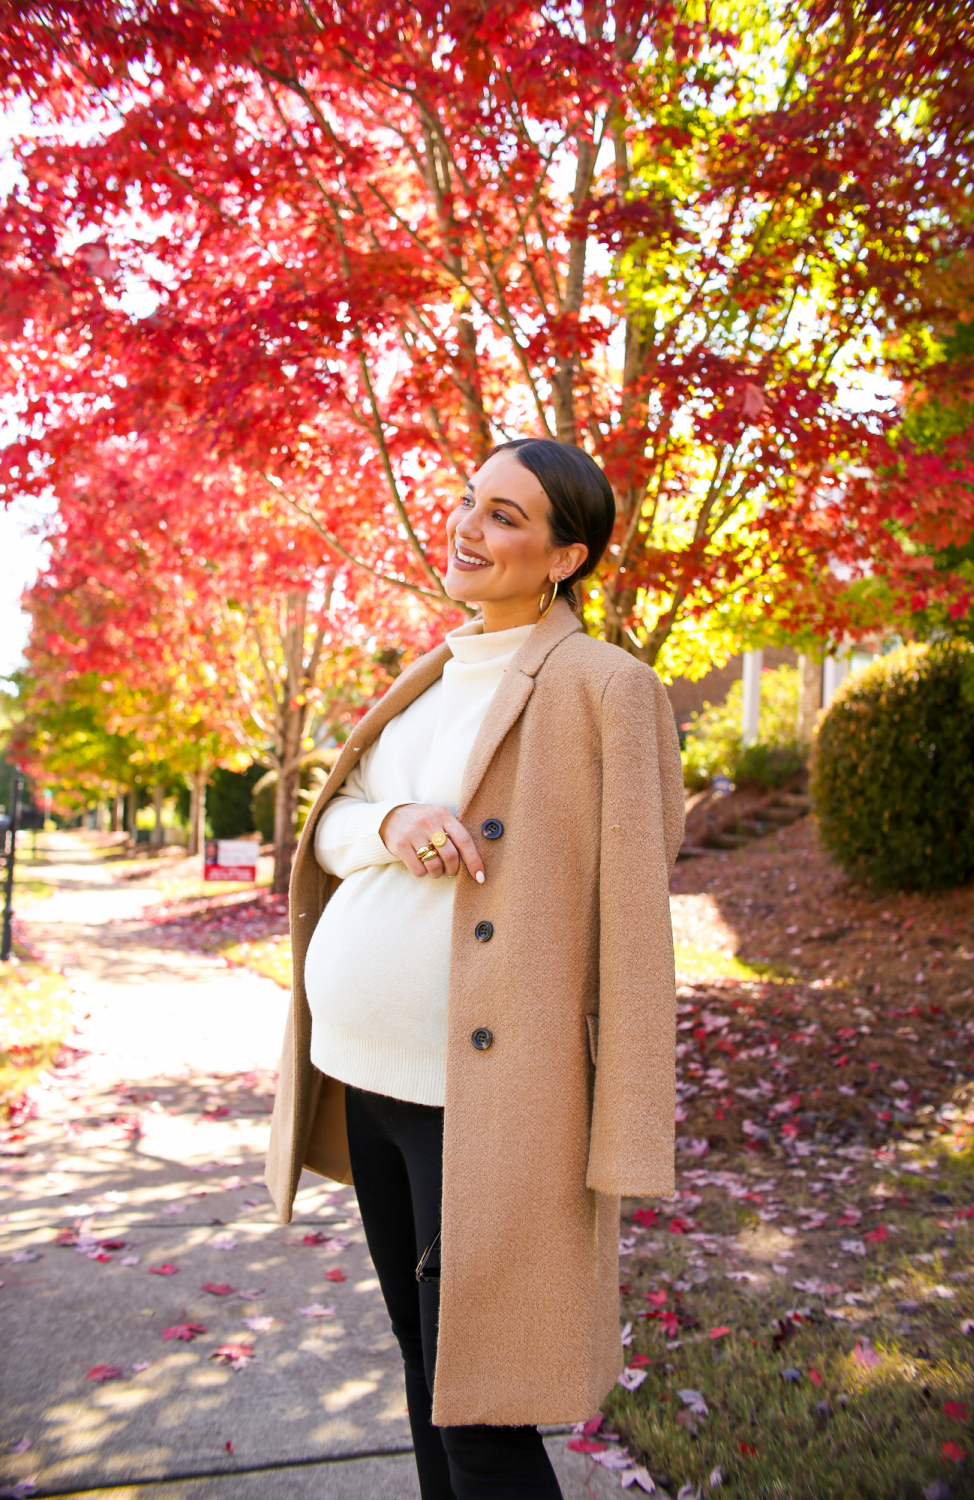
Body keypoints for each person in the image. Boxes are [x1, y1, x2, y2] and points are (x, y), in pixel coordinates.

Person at [266, 438, 684, 1500]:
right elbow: (332, 827)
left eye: (504, 516)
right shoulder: (431, 674)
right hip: (368, 1079)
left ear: (564, 557)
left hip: (485, 1100)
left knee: (483, 1412)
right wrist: (397, 820)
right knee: (424, 1368)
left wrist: (629, 1134)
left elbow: (636, 924)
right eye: (467, 502)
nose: (467, 527)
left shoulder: (604, 688)